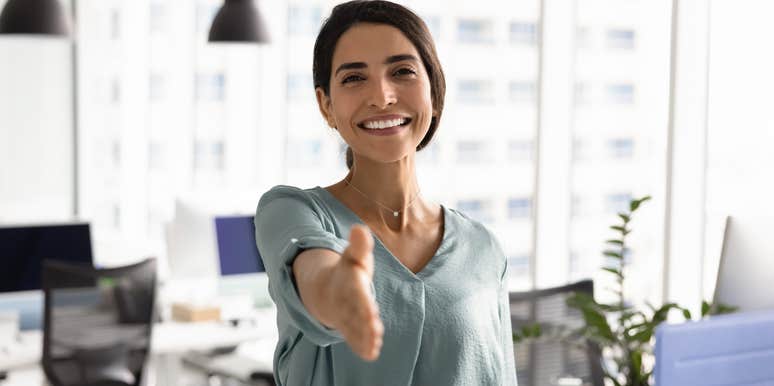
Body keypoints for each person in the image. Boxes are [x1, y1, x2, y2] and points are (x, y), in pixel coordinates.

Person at [254, 1, 517, 385]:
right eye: (354, 78)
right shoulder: (290, 211)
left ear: (434, 91)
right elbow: (312, 269)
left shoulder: (484, 248)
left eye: (402, 71)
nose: (381, 96)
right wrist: (336, 291)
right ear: (326, 106)